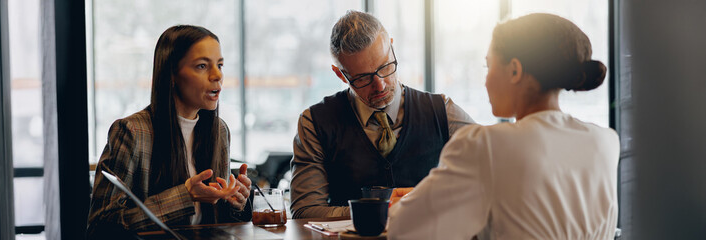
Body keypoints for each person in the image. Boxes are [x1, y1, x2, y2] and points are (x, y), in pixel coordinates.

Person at [387, 13, 619, 239]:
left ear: (515, 70)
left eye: (488, 66)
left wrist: (411, 202)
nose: (485, 81)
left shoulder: (485, 145)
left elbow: (404, 228)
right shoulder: (605, 141)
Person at [290, 10, 475, 219]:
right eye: (362, 78)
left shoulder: (442, 111)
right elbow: (305, 211)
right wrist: (383, 211)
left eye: (385, 66)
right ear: (340, 74)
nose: (380, 85)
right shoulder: (315, 123)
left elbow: (497, 162)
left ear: (392, 47)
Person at [87, 25, 252, 237]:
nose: (217, 75)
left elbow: (216, 224)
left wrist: (236, 203)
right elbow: (102, 226)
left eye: (220, 65)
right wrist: (185, 195)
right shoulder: (132, 131)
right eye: (202, 66)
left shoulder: (219, 131)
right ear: (172, 73)